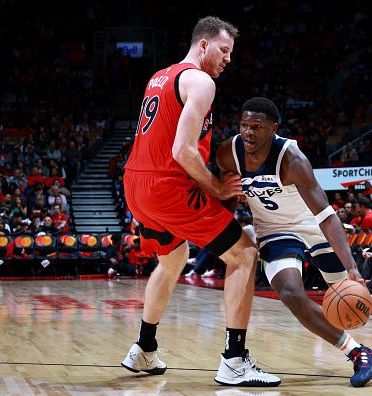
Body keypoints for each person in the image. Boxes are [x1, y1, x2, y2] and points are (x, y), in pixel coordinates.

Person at [120, 17, 280, 387]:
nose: (228, 60)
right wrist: (217, 188)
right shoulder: (201, 80)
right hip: (167, 186)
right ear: (204, 45)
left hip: (136, 184)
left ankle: (144, 349)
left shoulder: (159, 76)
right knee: (243, 254)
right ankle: (235, 360)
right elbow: (182, 150)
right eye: (224, 51)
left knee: (173, 258)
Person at [216, 97, 372, 387]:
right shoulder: (228, 154)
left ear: (273, 129)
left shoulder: (292, 160)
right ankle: (359, 352)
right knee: (292, 293)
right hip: (273, 230)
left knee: (345, 298)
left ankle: (359, 338)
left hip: (313, 224)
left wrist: (352, 268)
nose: (249, 132)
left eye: (257, 126)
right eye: (244, 125)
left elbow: (328, 217)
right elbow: (227, 198)